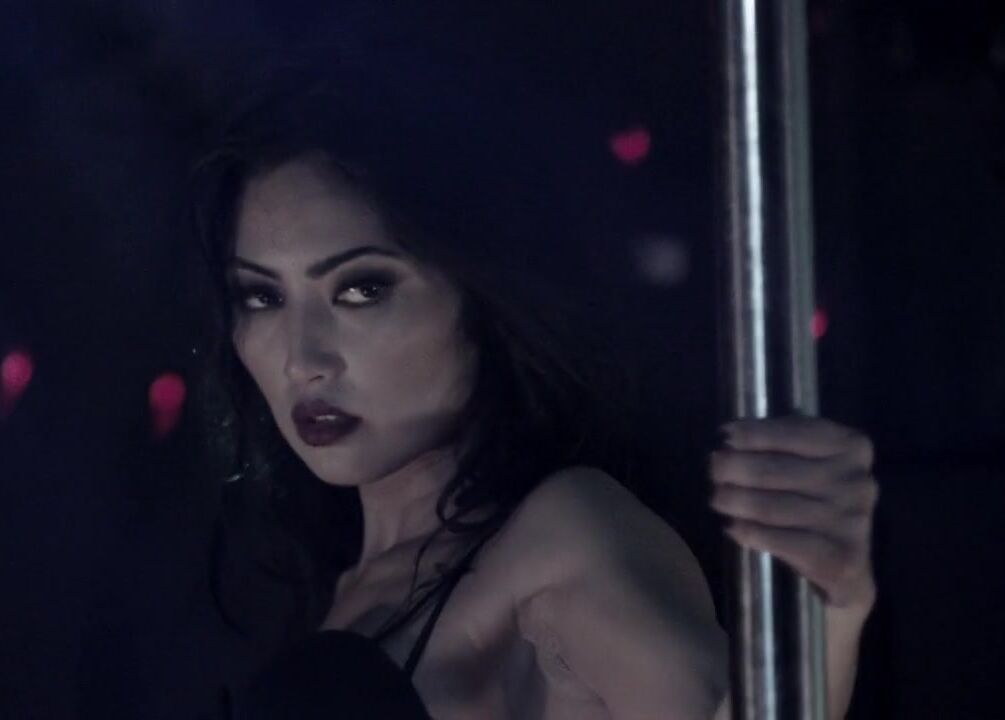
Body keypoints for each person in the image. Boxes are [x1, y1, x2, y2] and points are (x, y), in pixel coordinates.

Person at [192, 58, 877, 719]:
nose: (302, 360)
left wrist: (823, 607)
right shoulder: (326, 584)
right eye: (261, 297)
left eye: (362, 289)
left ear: (479, 296)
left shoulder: (560, 542)